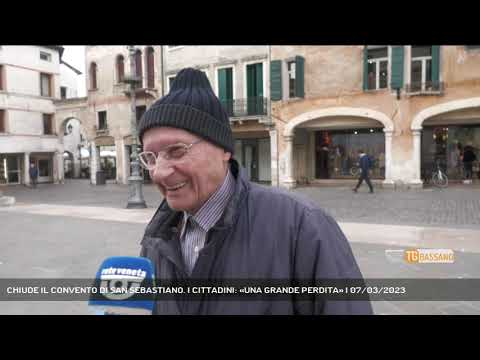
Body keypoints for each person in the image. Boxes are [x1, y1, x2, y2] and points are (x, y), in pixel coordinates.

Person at [137, 68, 372, 315]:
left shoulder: (302, 225)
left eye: (177, 151)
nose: (159, 172)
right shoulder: (156, 239)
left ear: (224, 151)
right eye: (150, 157)